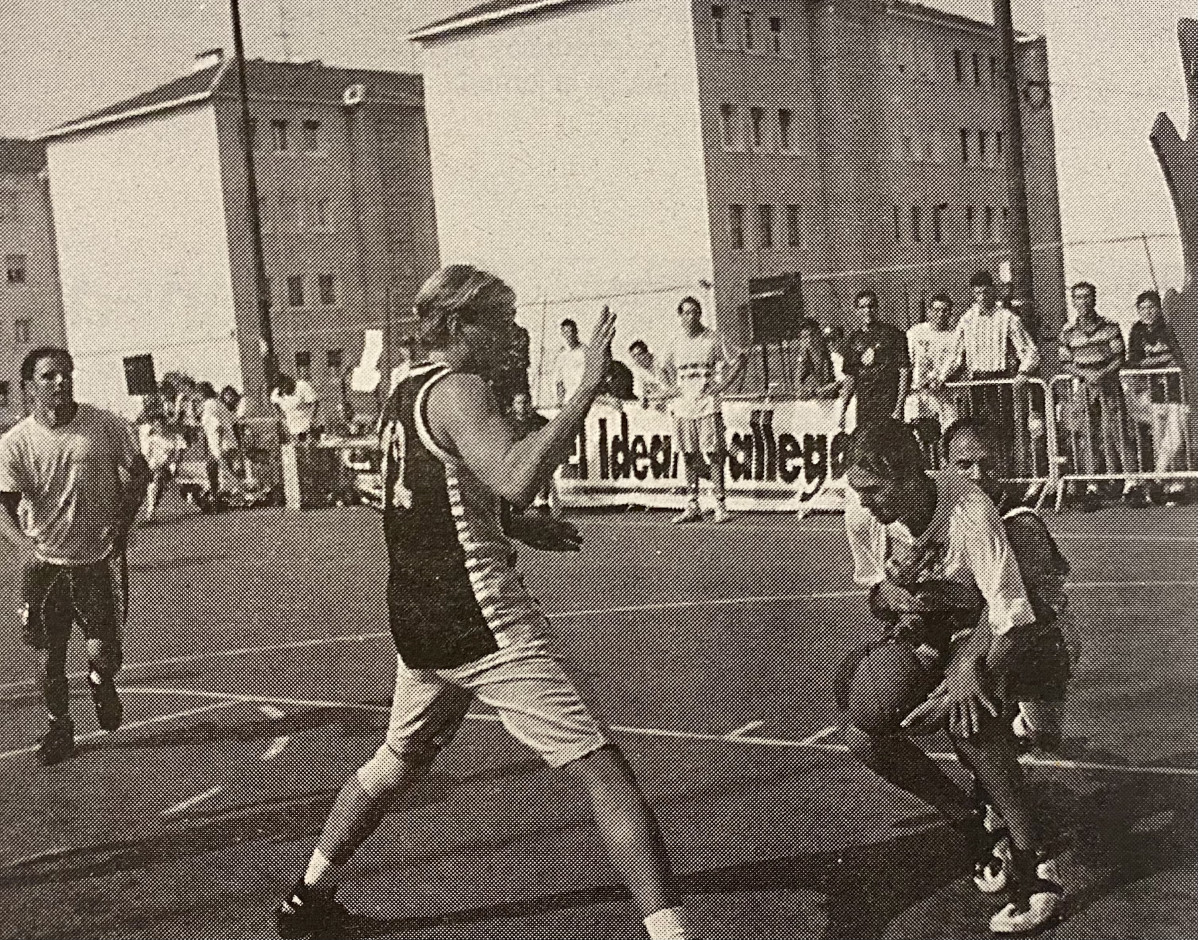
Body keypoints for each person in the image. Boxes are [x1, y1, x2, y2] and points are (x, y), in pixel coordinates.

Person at [275, 265, 698, 940]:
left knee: (394, 763)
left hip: (417, 616)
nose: (513, 333)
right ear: (460, 324)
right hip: (479, 616)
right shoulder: (460, 390)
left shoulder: (402, 386)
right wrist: (586, 387)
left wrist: (515, 526)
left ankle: (306, 898)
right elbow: (517, 475)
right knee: (602, 769)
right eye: (501, 320)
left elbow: (433, 497)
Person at [842, 418, 1064, 934]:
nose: (866, 503)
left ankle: (1039, 866)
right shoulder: (862, 510)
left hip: (998, 631)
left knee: (971, 717)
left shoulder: (968, 510)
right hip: (931, 630)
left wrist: (968, 668)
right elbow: (876, 596)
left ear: (909, 475)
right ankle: (975, 819)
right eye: (859, 492)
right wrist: (896, 595)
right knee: (866, 726)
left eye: (874, 491)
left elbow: (1011, 615)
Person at [0, 347, 150, 766]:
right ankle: (60, 727)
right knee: (49, 655)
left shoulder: (104, 424)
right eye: (49, 377)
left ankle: (102, 681)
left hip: (95, 561)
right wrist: (25, 548)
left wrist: (125, 518)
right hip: (46, 566)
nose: (60, 382)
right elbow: (3, 507)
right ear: (30, 388)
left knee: (104, 652)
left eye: (65, 374)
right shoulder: (16, 444)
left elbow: (139, 472)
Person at [942, 418, 1075, 751]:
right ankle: (991, 785)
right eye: (964, 465)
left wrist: (967, 665)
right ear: (944, 465)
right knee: (976, 720)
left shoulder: (1020, 524)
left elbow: (1012, 609)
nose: (976, 475)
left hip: (1040, 635)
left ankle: (1023, 724)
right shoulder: (948, 514)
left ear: (1002, 463)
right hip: (984, 629)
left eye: (986, 464)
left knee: (1043, 737)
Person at [936, 271, 1039, 469]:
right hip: (977, 384)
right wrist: (942, 376)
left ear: (993, 291)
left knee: (1005, 431)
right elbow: (955, 356)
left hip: (1000, 383)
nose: (982, 297)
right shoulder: (967, 319)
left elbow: (1030, 352)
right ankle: (985, 475)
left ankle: (1009, 474)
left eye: (985, 292)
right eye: (977, 293)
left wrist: (1023, 373)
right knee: (978, 432)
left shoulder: (1007, 317)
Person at [660, 295, 745, 524]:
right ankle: (692, 503)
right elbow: (662, 368)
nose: (691, 316)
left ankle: (720, 504)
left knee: (715, 454)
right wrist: (672, 389)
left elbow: (738, 359)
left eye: (695, 312)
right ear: (680, 316)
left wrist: (723, 385)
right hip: (683, 407)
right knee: (688, 455)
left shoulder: (713, 338)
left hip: (708, 405)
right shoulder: (674, 341)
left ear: (700, 314)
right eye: (686, 312)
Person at [1058, 281, 1139, 503]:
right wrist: (1085, 375)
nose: (1083, 302)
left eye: (1087, 297)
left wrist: (1101, 374)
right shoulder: (1068, 332)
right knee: (1086, 435)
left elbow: (1119, 357)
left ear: (1094, 299)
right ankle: (1093, 485)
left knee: (1119, 431)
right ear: (1073, 302)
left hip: (1109, 386)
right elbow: (1065, 362)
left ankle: (1131, 483)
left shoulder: (1110, 326)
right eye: (1078, 297)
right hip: (1085, 388)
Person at [1126, 289, 1189, 504]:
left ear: (1159, 308)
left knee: (1175, 437)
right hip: (1154, 392)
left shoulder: (1169, 328)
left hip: (1175, 390)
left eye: (1151, 307)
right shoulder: (1137, 331)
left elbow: (1177, 358)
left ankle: (1162, 479)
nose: (1147, 312)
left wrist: (1154, 363)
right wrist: (1155, 364)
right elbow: (1134, 360)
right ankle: (1171, 484)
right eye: (1142, 308)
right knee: (1160, 438)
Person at [837, 289, 911, 431]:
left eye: (871, 306)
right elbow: (850, 378)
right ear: (856, 311)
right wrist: (842, 412)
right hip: (865, 406)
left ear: (877, 308)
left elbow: (904, 372)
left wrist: (899, 407)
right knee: (867, 448)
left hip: (888, 402)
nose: (867, 310)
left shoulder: (892, 334)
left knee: (889, 447)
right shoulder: (853, 340)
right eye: (863, 307)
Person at [906, 293, 961, 460]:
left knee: (949, 433)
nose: (940, 314)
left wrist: (941, 378)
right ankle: (918, 469)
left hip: (944, 394)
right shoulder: (915, 332)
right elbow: (907, 361)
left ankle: (947, 471)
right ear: (929, 311)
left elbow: (956, 363)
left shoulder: (955, 335)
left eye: (945, 311)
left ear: (950, 313)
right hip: (918, 393)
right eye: (936, 310)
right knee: (915, 434)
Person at [509, 389, 554, 515]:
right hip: (517, 460)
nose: (522, 406)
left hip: (535, 458)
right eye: (518, 403)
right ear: (513, 405)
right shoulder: (508, 423)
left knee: (543, 471)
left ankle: (542, 502)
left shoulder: (538, 421)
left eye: (525, 402)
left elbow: (550, 435)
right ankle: (516, 505)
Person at [198, 381, 242, 504]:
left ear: (203, 393)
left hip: (221, 444)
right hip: (229, 443)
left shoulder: (209, 404)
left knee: (218, 469)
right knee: (220, 470)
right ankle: (219, 494)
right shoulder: (220, 404)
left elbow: (216, 426)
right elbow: (233, 422)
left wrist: (217, 448)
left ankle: (220, 496)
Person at [140, 413, 181, 523]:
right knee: (155, 484)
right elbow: (146, 456)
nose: (160, 427)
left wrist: (173, 463)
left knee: (158, 483)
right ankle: (150, 513)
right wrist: (150, 467)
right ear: (154, 426)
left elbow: (177, 454)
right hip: (154, 468)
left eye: (162, 424)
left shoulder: (172, 438)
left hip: (168, 468)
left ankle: (151, 512)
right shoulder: (151, 440)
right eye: (157, 425)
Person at [793, 315, 839, 400]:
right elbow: (798, 385)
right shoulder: (805, 356)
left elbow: (844, 380)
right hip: (822, 398)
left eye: (812, 335)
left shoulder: (832, 350)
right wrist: (809, 391)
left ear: (819, 335)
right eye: (805, 337)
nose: (809, 340)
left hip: (840, 397)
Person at [270, 373, 318, 444]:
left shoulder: (302, 386)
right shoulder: (277, 392)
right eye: (281, 387)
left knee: (309, 445)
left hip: (307, 422)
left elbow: (315, 402)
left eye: (285, 385)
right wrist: (280, 416)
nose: (285, 389)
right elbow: (273, 403)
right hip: (292, 425)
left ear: (290, 381)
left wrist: (312, 419)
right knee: (295, 448)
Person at [553, 318, 588, 406]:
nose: (569, 335)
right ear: (563, 334)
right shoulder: (561, 355)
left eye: (572, 331)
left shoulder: (585, 351)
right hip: (569, 401)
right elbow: (559, 381)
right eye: (566, 332)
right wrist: (560, 401)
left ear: (576, 332)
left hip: (586, 398)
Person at [628, 339, 668, 410]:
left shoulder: (659, 362)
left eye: (639, 354)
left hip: (672, 399)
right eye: (634, 356)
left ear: (647, 353)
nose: (637, 359)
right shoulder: (637, 368)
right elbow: (639, 391)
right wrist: (642, 396)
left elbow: (666, 387)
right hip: (656, 402)